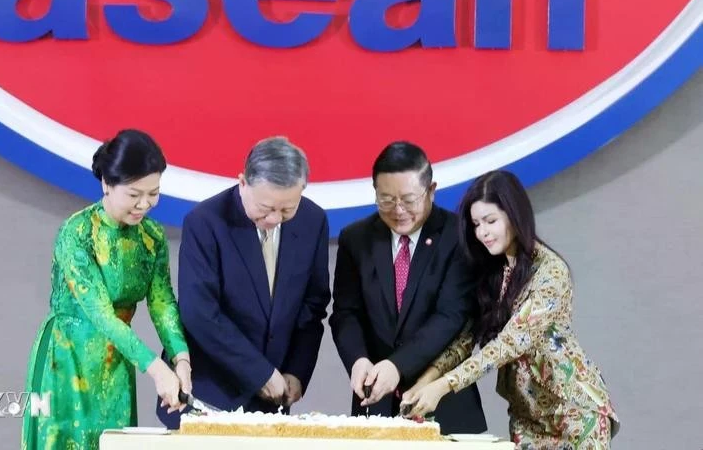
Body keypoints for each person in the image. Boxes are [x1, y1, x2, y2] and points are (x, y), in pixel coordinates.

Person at [401, 170, 620, 448]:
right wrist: (426, 381)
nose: (482, 232)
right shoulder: (492, 273)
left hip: (574, 414)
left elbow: (510, 343)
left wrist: (444, 386)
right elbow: (466, 340)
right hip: (525, 418)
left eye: (490, 221)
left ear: (515, 216)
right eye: (476, 224)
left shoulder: (551, 272)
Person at [22, 129, 191, 450]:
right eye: (134, 194)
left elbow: (162, 303)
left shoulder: (152, 237)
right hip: (67, 359)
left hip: (116, 361)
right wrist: (157, 370)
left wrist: (181, 360)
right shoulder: (77, 233)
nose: (145, 204)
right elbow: (100, 313)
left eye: (153, 193)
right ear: (106, 184)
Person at [157, 136, 330, 428]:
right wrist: (260, 373)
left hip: (271, 401)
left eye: (287, 209)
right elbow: (200, 314)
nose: (275, 218)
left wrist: (297, 371)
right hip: (208, 393)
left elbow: (312, 307)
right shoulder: (206, 221)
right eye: (265, 207)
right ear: (243, 183)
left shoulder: (313, 221)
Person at [329, 141, 487, 434]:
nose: (398, 210)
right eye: (386, 200)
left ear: (431, 190)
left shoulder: (459, 237)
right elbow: (345, 313)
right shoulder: (356, 239)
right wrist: (358, 359)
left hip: (444, 404)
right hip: (374, 405)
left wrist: (396, 366)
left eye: (408, 199)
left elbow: (451, 316)